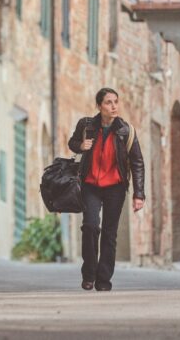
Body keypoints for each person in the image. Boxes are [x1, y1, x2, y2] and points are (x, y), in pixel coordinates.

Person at [68, 87, 145, 291]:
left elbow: (137, 162)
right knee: (90, 227)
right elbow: (72, 142)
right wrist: (81, 146)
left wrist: (139, 194)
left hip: (115, 188)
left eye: (116, 102)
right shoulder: (86, 125)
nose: (113, 106)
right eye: (108, 102)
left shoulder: (126, 131)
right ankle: (89, 273)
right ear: (99, 106)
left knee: (110, 234)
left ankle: (103, 280)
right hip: (90, 186)